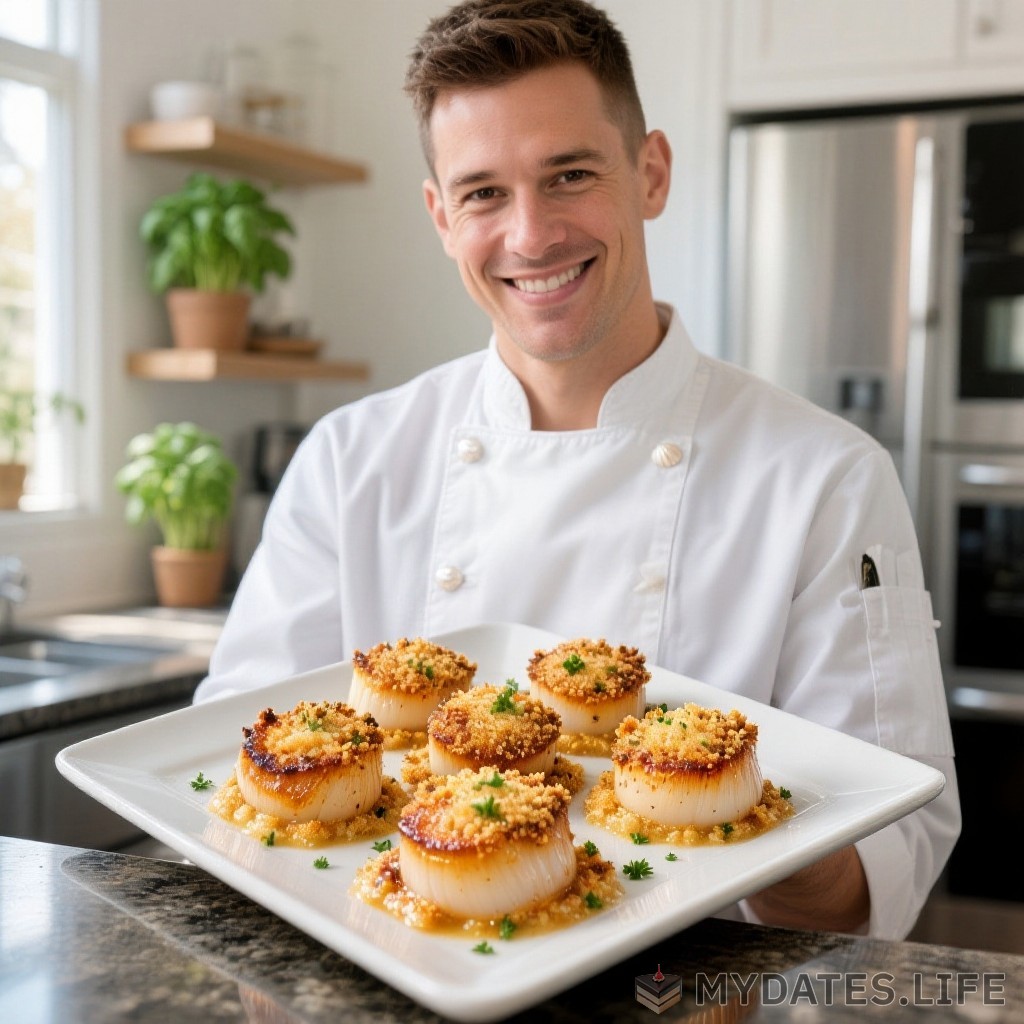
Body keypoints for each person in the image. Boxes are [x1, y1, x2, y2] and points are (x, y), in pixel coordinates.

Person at [195, 0, 959, 939]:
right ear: (440, 216)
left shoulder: (826, 478)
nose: (531, 235)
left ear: (651, 172)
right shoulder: (350, 461)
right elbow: (232, 786)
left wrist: (739, 811)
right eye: (483, 193)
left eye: (569, 174)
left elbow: (886, 869)